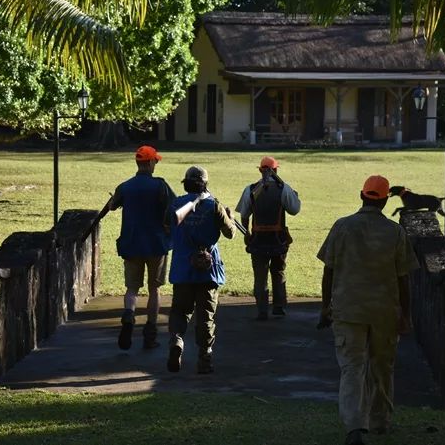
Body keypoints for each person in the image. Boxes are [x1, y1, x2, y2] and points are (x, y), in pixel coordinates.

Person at [316, 175, 419, 445]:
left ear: (361, 196)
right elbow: (403, 278)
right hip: (385, 311)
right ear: (386, 201)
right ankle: (380, 421)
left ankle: (355, 428)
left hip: (348, 310)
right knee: (382, 367)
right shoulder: (395, 232)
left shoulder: (342, 227)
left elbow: (329, 271)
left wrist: (326, 307)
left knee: (352, 367)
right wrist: (405, 316)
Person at [165, 166, 236, 374]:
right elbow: (230, 233)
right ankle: (205, 358)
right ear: (205, 183)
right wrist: (229, 217)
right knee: (206, 316)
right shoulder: (214, 206)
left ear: (186, 183)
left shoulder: (176, 204)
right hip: (208, 271)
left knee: (180, 311)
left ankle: (177, 340)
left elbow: (167, 226)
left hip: (182, 269)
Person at [109, 145, 175, 350]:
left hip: (131, 243)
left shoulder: (125, 186)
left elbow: (111, 206)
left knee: (131, 288)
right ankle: (150, 334)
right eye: (155, 160)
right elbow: (174, 208)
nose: (156, 164)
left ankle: (129, 315)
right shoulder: (160, 186)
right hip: (156, 244)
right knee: (154, 289)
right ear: (149, 162)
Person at [235, 156, 300, 320]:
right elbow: (294, 210)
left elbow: (244, 214)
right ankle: (278, 307)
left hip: (258, 239)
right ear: (276, 170)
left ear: (260, 170)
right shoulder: (283, 188)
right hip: (278, 238)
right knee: (278, 272)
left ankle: (262, 310)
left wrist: (247, 235)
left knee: (260, 276)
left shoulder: (250, 189)